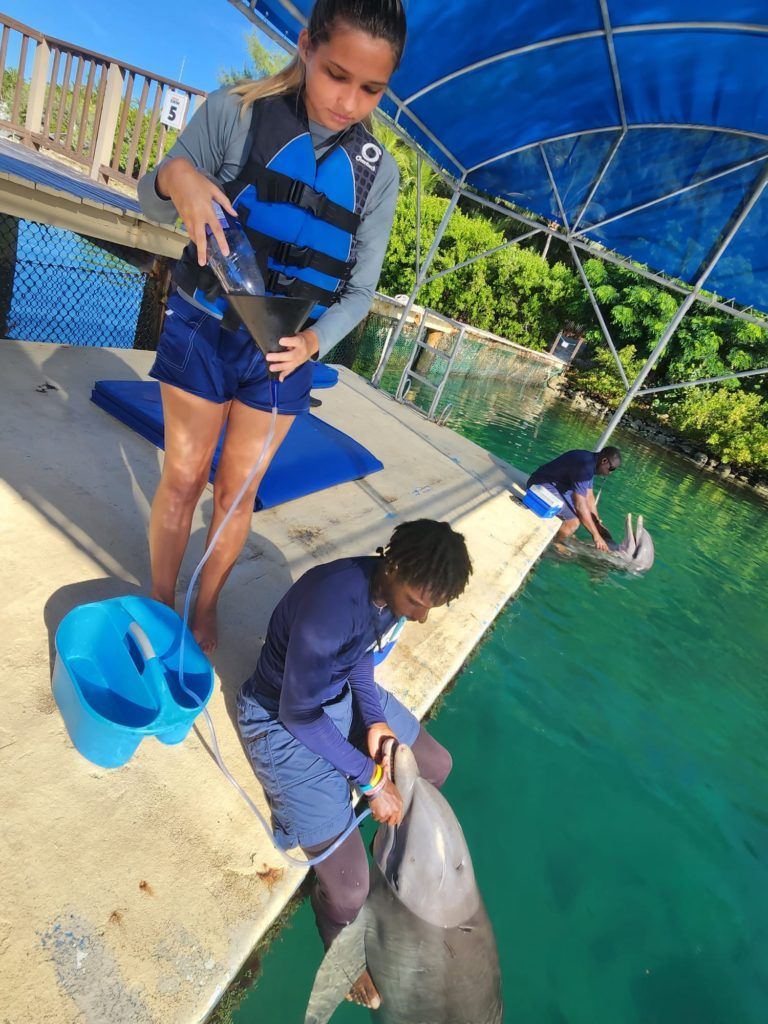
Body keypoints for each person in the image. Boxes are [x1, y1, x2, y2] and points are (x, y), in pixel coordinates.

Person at [136, 0, 407, 652]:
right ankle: (159, 599)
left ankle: (204, 606)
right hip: (204, 327)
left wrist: (316, 341)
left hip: (285, 352)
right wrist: (179, 176)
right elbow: (149, 196)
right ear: (308, 45)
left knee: (237, 493)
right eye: (337, 74)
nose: (348, 101)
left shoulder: (381, 174)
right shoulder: (236, 109)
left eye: (371, 89)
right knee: (184, 475)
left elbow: (360, 291)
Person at [237, 519, 473, 1009]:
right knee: (349, 890)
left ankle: (376, 845)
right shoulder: (332, 606)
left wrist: (373, 721)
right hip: (279, 719)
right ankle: (336, 936)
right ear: (393, 565)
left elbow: (361, 661)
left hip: (339, 694)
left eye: (432, 607)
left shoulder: (387, 592)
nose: (422, 618)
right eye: (417, 603)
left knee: (435, 766)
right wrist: (370, 780)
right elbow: (297, 713)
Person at [527, 446, 622, 549]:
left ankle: (562, 533)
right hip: (540, 485)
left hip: (556, 486)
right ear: (604, 461)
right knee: (573, 522)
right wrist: (596, 536)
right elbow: (580, 505)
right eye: (611, 468)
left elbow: (589, 495)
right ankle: (553, 544)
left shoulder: (590, 462)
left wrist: (596, 522)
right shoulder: (585, 467)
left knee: (585, 516)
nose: (610, 472)